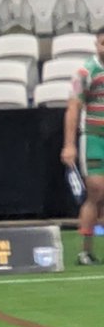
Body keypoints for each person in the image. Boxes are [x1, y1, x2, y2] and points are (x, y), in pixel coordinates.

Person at [61, 28, 104, 265]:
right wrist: (69, 145)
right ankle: (85, 251)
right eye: (103, 43)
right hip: (94, 138)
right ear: (96, 45)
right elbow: (73, 108)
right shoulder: (84, 73)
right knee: (96, 191)